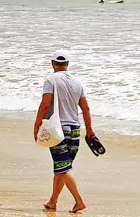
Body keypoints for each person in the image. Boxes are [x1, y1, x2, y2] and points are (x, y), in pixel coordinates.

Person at [34, 51, 94, 214]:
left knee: (63, 168)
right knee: (63, 167)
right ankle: (52, 201)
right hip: (75, 130)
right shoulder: (77, 82)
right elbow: (85, 108)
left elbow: (45, 104)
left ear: (53, 64)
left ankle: (79, 201)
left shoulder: (50, 80)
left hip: (58, 129)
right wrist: (89, 131)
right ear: (67, 64)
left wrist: (37, 124)